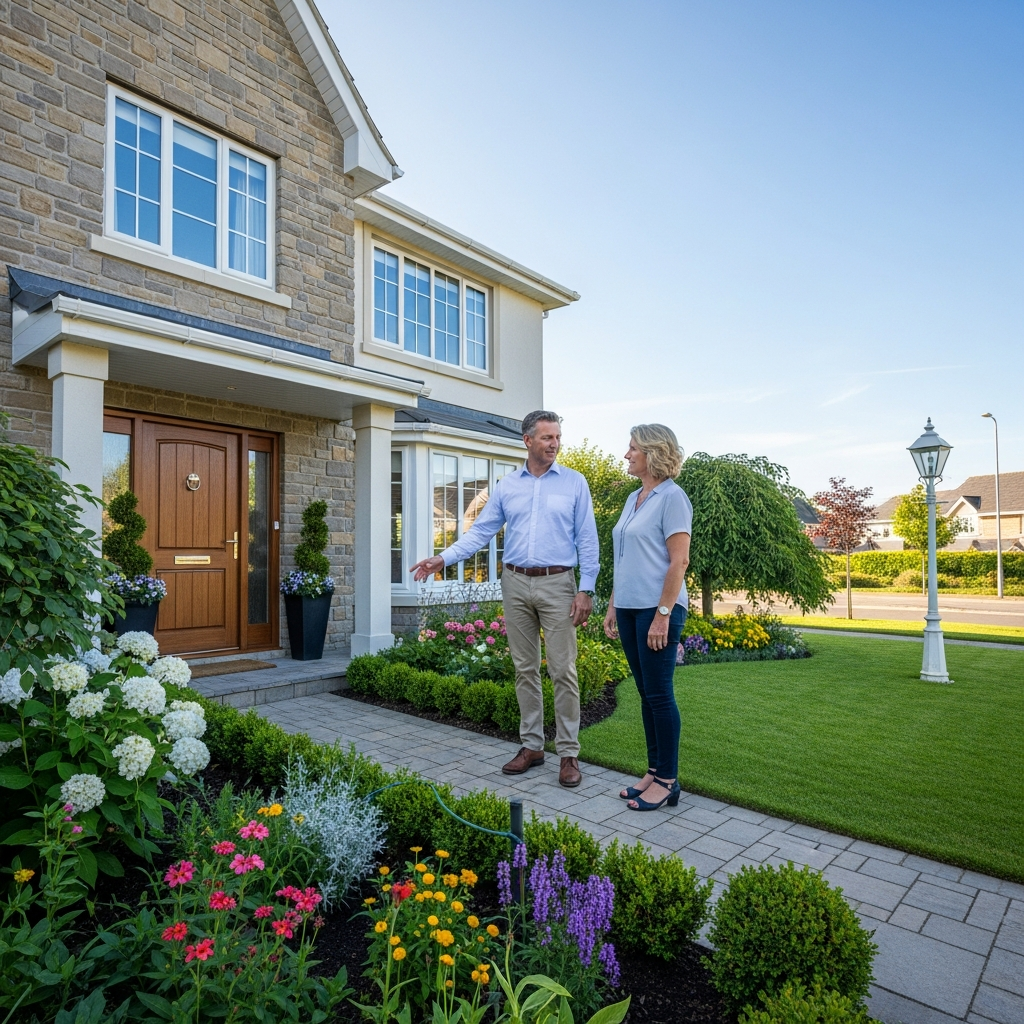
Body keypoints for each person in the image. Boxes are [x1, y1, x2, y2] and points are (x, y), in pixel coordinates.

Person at [411, 410, 599, 788]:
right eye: (547, 437)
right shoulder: (507, 486)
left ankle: (568, 754)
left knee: (563, 671)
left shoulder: (575, 484)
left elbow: (587, 540)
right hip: (514, 582)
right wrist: (442, 558)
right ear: (527, 440)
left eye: (557, 437)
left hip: (558, 583)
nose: (555, 443)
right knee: (524, 668)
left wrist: (586, 588)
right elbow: (480, 532)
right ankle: (532, 746)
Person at [603, 424, 691, 811]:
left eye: (633, 448)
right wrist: (612, 604)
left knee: (659, 694)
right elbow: (624, 559)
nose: (626, 454)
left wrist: (663, 616)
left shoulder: (673, 498)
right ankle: (654, 772)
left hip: (658, 610)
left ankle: (668, 781)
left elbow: (679, 561)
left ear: (653, 453)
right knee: (645, 694)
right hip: (628, 607)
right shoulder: (633, 498)